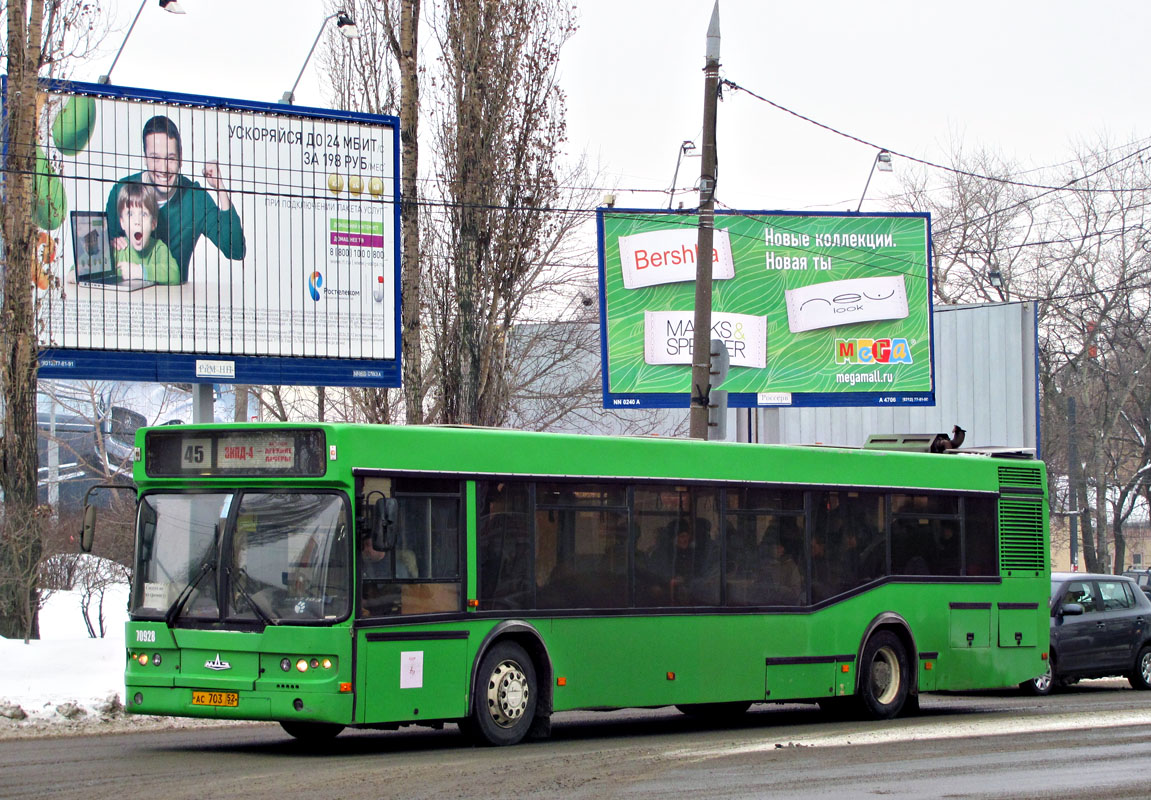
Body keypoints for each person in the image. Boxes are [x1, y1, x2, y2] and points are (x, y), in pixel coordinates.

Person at [105, 115, 246, 283]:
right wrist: (110, 244)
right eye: (155, 158)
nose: (163, 168)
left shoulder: (196, 198)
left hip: (177, 301)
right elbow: (100, 256)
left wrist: (220, 188)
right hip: (128, 302)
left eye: (170, 158)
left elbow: (235, 250)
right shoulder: (122, 191)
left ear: (180, 158)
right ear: (145, 158)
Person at [113, 182, 181, 284]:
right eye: (130, 214)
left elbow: (174, 274)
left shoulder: (159, 248)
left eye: (143, 214)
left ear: (153, 223)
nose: (137, 222)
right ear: (122, 223)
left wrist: (139, 271)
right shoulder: (119, 249)